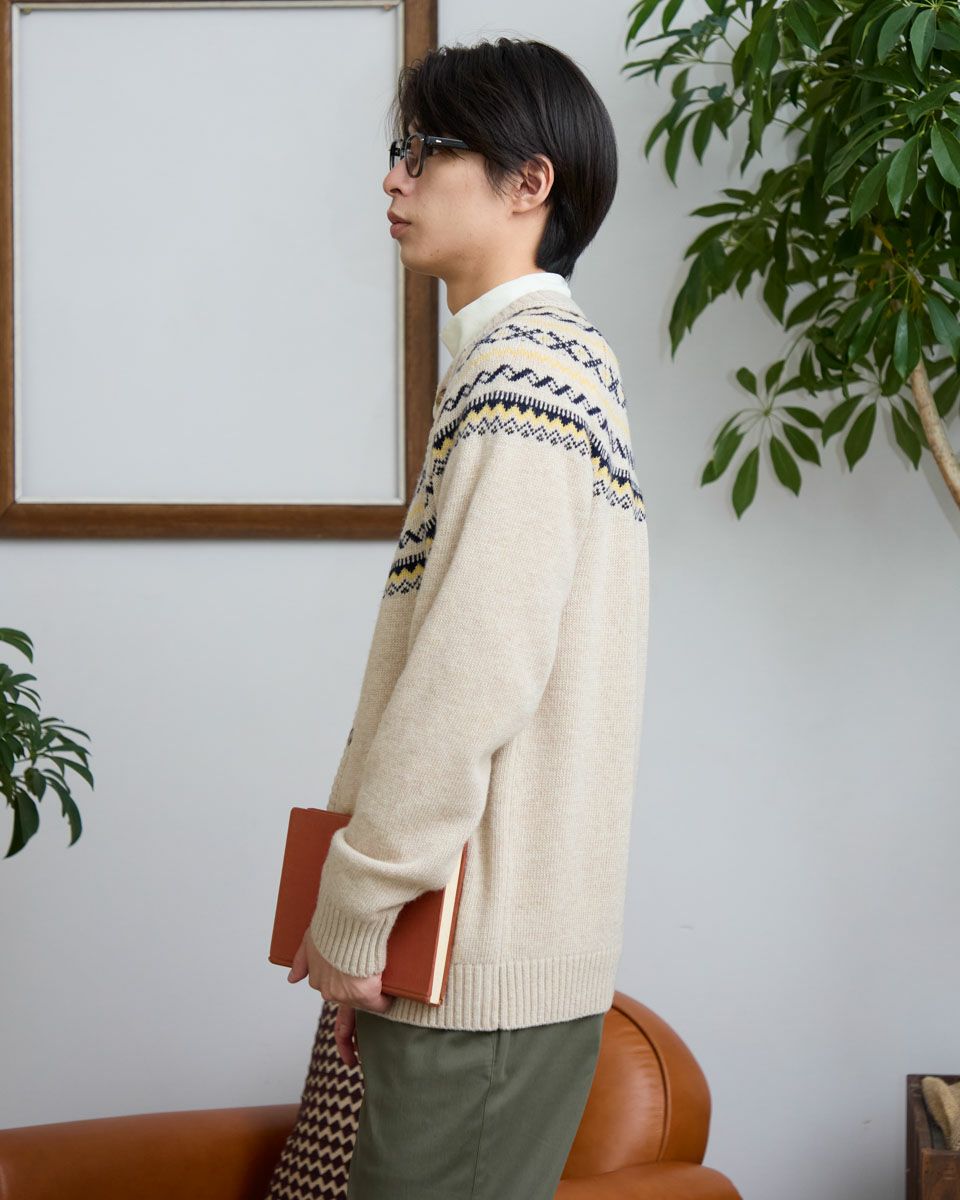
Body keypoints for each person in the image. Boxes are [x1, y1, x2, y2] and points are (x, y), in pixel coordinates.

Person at [282, 35, 650, 1200]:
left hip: (471, 965)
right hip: (461, 954)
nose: (393, 179)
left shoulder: (524, 378)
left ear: (529, 182)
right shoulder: (535, 369)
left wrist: (358, 902)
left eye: (425, 151)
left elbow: (474, 676)